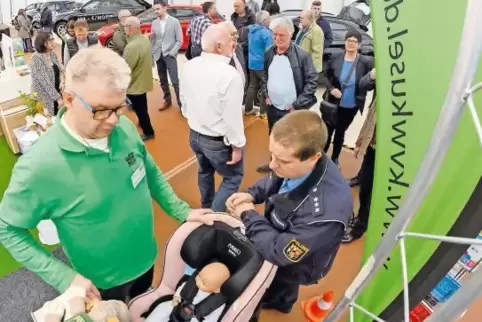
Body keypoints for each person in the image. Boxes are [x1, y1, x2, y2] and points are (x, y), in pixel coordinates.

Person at [0, 46, 216, 302]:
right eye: (101, 110)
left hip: (146, 260)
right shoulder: (39, 166)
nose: (113, 120)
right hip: (99, 284)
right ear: (68, 100)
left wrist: (182, 211)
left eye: (120, 107)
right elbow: (8, 229)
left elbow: (149, 171)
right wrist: (63, 277)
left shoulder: (124, 128)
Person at [226, 110, 352, 315]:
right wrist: (252, 195)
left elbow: (280, 253)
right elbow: (275, 179)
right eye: (272, 155)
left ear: (314, 157)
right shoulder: (302, 162)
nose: (272, 165)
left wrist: (248, 214)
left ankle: (282, 303)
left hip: (298, 264)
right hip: (281, 231)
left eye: (282, 161)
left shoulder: (323, 215)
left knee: (283, 281)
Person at [180, 24, 245, 212]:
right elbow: (232, 117)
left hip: (195, 135)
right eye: (230, 39)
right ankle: (214, 217)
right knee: (232, 178)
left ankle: (206, 206)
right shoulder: (230, 75)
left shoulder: (189, 66)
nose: (234, 42)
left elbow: (184, 100)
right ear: (218, 47)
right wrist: (237, 146)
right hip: (217, 142)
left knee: (205, 171)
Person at [256, 16, 318, 173]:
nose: (277, 38)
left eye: (281, 35)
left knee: (291, 142)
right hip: (272, 106)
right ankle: (273, 165)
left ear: (291, 34)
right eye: (274, 35)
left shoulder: (303, 56)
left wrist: (297, 105)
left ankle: (288, 172)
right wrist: (266, 94)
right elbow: (264, 75)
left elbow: (312, 82)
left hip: (292, 111)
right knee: (274, 137)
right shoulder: (269, 52)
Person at [320, 29, 375, 167]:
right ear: (345, 42)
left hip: (351, 106)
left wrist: (371, 80)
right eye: (348, 40)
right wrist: (332, 89)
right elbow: (323, 76)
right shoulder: (335, 57)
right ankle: (320, 158)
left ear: (359, 45)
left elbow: (368, 85)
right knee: (326, 132)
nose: (351, 44)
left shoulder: (365, 62)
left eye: (354, 41)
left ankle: (334, 159)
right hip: (332, 105)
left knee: (340, 132)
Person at [142, 262, 230, 322]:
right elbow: (183, 287)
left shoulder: (218, 303)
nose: (197, 281)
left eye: (203, 283)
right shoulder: (193, 283)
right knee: (163, 307)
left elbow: (212, 319)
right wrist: (176, 296)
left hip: (195, 318)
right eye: (199, 275)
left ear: (217, 289)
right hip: (179, 305)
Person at [343, 99, 376, 243]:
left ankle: (360, 228)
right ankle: (360, 217)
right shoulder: (385, 91)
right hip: (372, 148)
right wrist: (360, 141)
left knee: (371, 193)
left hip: (387, 153)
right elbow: (370, 118)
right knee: (365, 188)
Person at [123, 16, 155, 141]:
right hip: (143, 81)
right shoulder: (144, 39)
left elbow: (125, 68)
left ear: (130, 28)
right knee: (143, 106)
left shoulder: (132, 46)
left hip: (135, 84)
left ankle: (148, 132)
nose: (124, 28)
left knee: (139, 109)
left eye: (125, 26)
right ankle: (143, 123)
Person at [151, 0, 183, 111]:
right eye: (154, 9)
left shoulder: (174, 22)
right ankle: (167, 100)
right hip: (158, 55)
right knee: (162, 79)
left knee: (175, 80)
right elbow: (153, 40)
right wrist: (152, 53)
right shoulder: (154, 23)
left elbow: (179, 40)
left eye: (158, 9)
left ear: (165, 8)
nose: (156, 11)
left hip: (170, 55)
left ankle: (181, 103)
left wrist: (172, 53)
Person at [245, 10, 272, 118]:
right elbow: (270, 51)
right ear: (265, 21)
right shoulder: (266, 33)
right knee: (265, 87)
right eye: (269, 18)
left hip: (252, 63)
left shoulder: (251, 30)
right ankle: (263, 112)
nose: (270, 20)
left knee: (252, 86)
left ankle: (248, 109)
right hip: (262, 65)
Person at [29, 31, 63, 116]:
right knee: (46, 123)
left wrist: (63, 81)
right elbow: (44, 81)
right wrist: (58, 98)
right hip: (43, 98)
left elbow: (61, 69)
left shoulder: (52, 54)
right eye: (50, 40)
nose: (53, 42)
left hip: (56, 94)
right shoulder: (36, 58)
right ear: (42, 42)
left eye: (53, 39)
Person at [219, 21, 248, 88]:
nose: (237, 36)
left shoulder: (238, 47)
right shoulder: (219, 55)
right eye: (233, 34)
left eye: (236, 33)